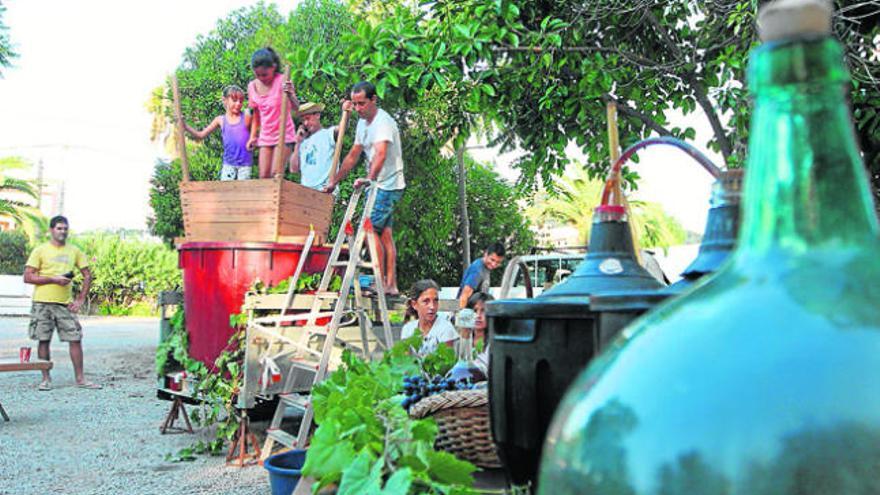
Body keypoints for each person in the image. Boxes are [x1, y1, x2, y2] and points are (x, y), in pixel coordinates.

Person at [324, 81, 405, 296]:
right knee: (385, 234)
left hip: (388, 185)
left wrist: (369, 179)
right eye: (355, 104)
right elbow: (353, 156)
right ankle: (390, 284)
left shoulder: (383, 123)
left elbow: (381, 154)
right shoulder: (362, 124)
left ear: (373, 100)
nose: (358, 108)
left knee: (370, 231)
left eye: (362, 104)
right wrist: (335, 181)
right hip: (378, 185)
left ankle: (380, 283)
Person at [23, 216, 101, 391]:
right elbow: (27, 277)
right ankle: (45, 379)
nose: (63, 231)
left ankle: (80, 379)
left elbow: (87, 275)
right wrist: (53, 279)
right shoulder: (40, 250)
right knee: (43, 340)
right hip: (42, 302)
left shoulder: (74, 251)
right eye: (59, 228)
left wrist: (80, 299)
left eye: (65, 228)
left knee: (75, 338)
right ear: (51, 230)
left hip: (65, 304)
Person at [246, 47, 300, 178]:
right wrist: (253, 136)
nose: (261, 78)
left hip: (284, 133)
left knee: (275, 174)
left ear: (273, 67)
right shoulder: (252, 86)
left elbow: (296, 107)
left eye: (264, 74)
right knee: (263, 176)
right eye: (257, 75)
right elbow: (256, 114)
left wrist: (291, 94)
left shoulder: (282, 81)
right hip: (266, 135)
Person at [183, 85, 253, 181]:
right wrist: (185, 127)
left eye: (241, 101)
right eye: (235, 100)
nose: (238, 104)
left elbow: (258, 129)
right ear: (225, 100)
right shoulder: (220, 120)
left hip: (245, 165)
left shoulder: (246, 116)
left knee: (243, 193)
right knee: (226, 193)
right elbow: (201, 135)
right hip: (229, 165)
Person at [401, 280, 457, 355]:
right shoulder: (408, 329)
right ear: (414, 304)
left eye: (435, 301)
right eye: (426, 301)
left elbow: (446, 362)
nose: (432, 306)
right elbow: (404, 360)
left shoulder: (445, 329)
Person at [289, 102, 337, 191]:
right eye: (303, 121)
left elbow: (342, 128)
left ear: (317, 115)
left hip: (324, 190)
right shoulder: (303, 142)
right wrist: (297, 143)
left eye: (308, 118)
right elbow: (293, 169)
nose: (306, 123)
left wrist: (347, 113)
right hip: (306, 191)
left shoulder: (327, 134)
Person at [458, 242, 506, 308]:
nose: (493, 264)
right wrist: (462, 316)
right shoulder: (477, 269)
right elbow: (464, 296)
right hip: (468, 313)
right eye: (492, 260)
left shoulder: (486, 268)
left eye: (498, 262)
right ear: (486, 254)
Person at [465, 292, 494, 375]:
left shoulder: (495, 343)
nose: (478, 315)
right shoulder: (464, 340)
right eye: (474, 311)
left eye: (483, 311)